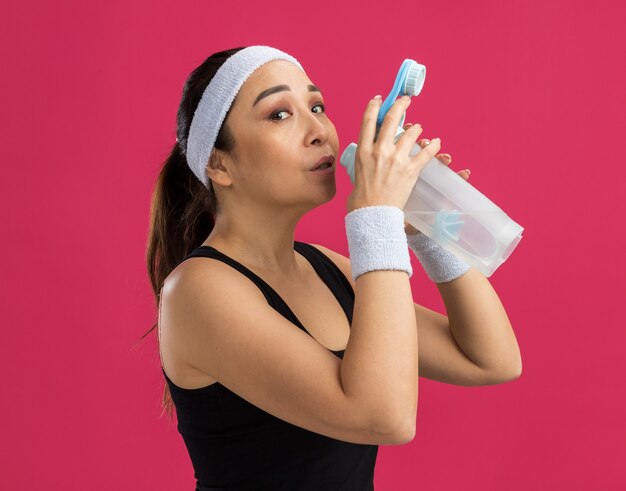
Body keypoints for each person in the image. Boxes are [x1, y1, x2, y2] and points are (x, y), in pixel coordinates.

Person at [143, 45, 522, 490]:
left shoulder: (327, 269)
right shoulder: (197, 290)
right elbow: (386, 418)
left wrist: (422, 226)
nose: (319, 130)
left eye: (317, 106)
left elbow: (490, 360)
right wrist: (375, 219)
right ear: (217, 163)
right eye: (279, 115)